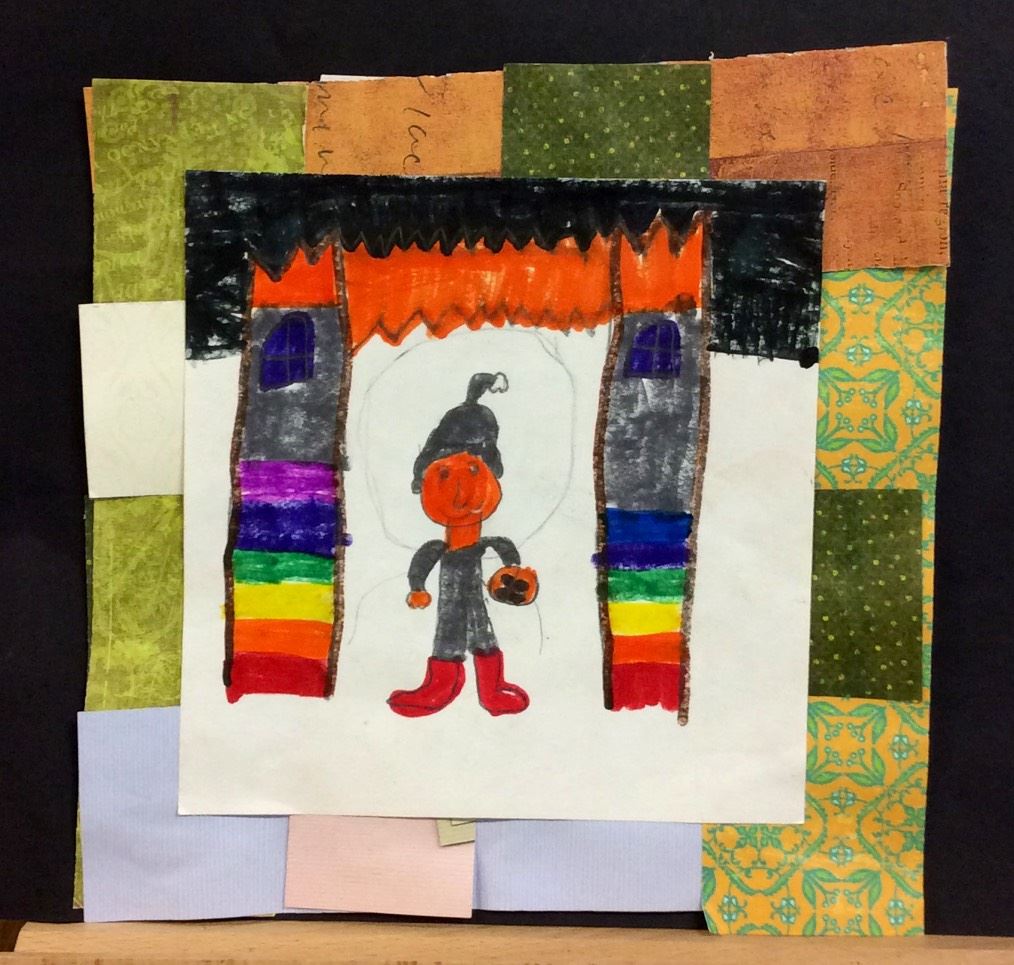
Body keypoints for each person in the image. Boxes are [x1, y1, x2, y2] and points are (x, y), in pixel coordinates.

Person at [388, 372, 538, 717]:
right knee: (455, 632)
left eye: (472, 472)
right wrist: (417, 586)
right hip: (453, 590)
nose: (459, 489)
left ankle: (488, 687)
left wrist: (513, 570)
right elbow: (427, 556)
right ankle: (446, 684)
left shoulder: (483, 538)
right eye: (443, 475)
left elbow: (502, 546)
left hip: (469, 588)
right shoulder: (439, 546)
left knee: (479, 633)